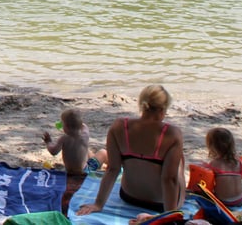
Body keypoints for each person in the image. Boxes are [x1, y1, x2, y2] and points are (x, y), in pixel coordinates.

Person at [76, 85, 185, 217]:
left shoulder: (119, 127)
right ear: (163, 109)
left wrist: (98, 204)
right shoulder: (172, 134)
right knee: (180, 160)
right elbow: (169, 179)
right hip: (160, 203)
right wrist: (169, 216)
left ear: (141, 105)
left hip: (129, 196)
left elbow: (112, 169)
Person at [200, 127, 242, 207]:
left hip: (224, 202)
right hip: (240, 200)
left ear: (212, 147)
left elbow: (207, 183)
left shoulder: (214, 164)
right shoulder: (239, 162)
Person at [42, 108, 93, 176]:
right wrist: (76, 122)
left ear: (66, 127)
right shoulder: (85, 133)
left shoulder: (64, 138)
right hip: (85, 171)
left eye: (62, 124)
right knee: (102, 152)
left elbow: (53, 152)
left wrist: (48, 142)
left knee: (87, 151)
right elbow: (82, 125)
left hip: (69, 171)